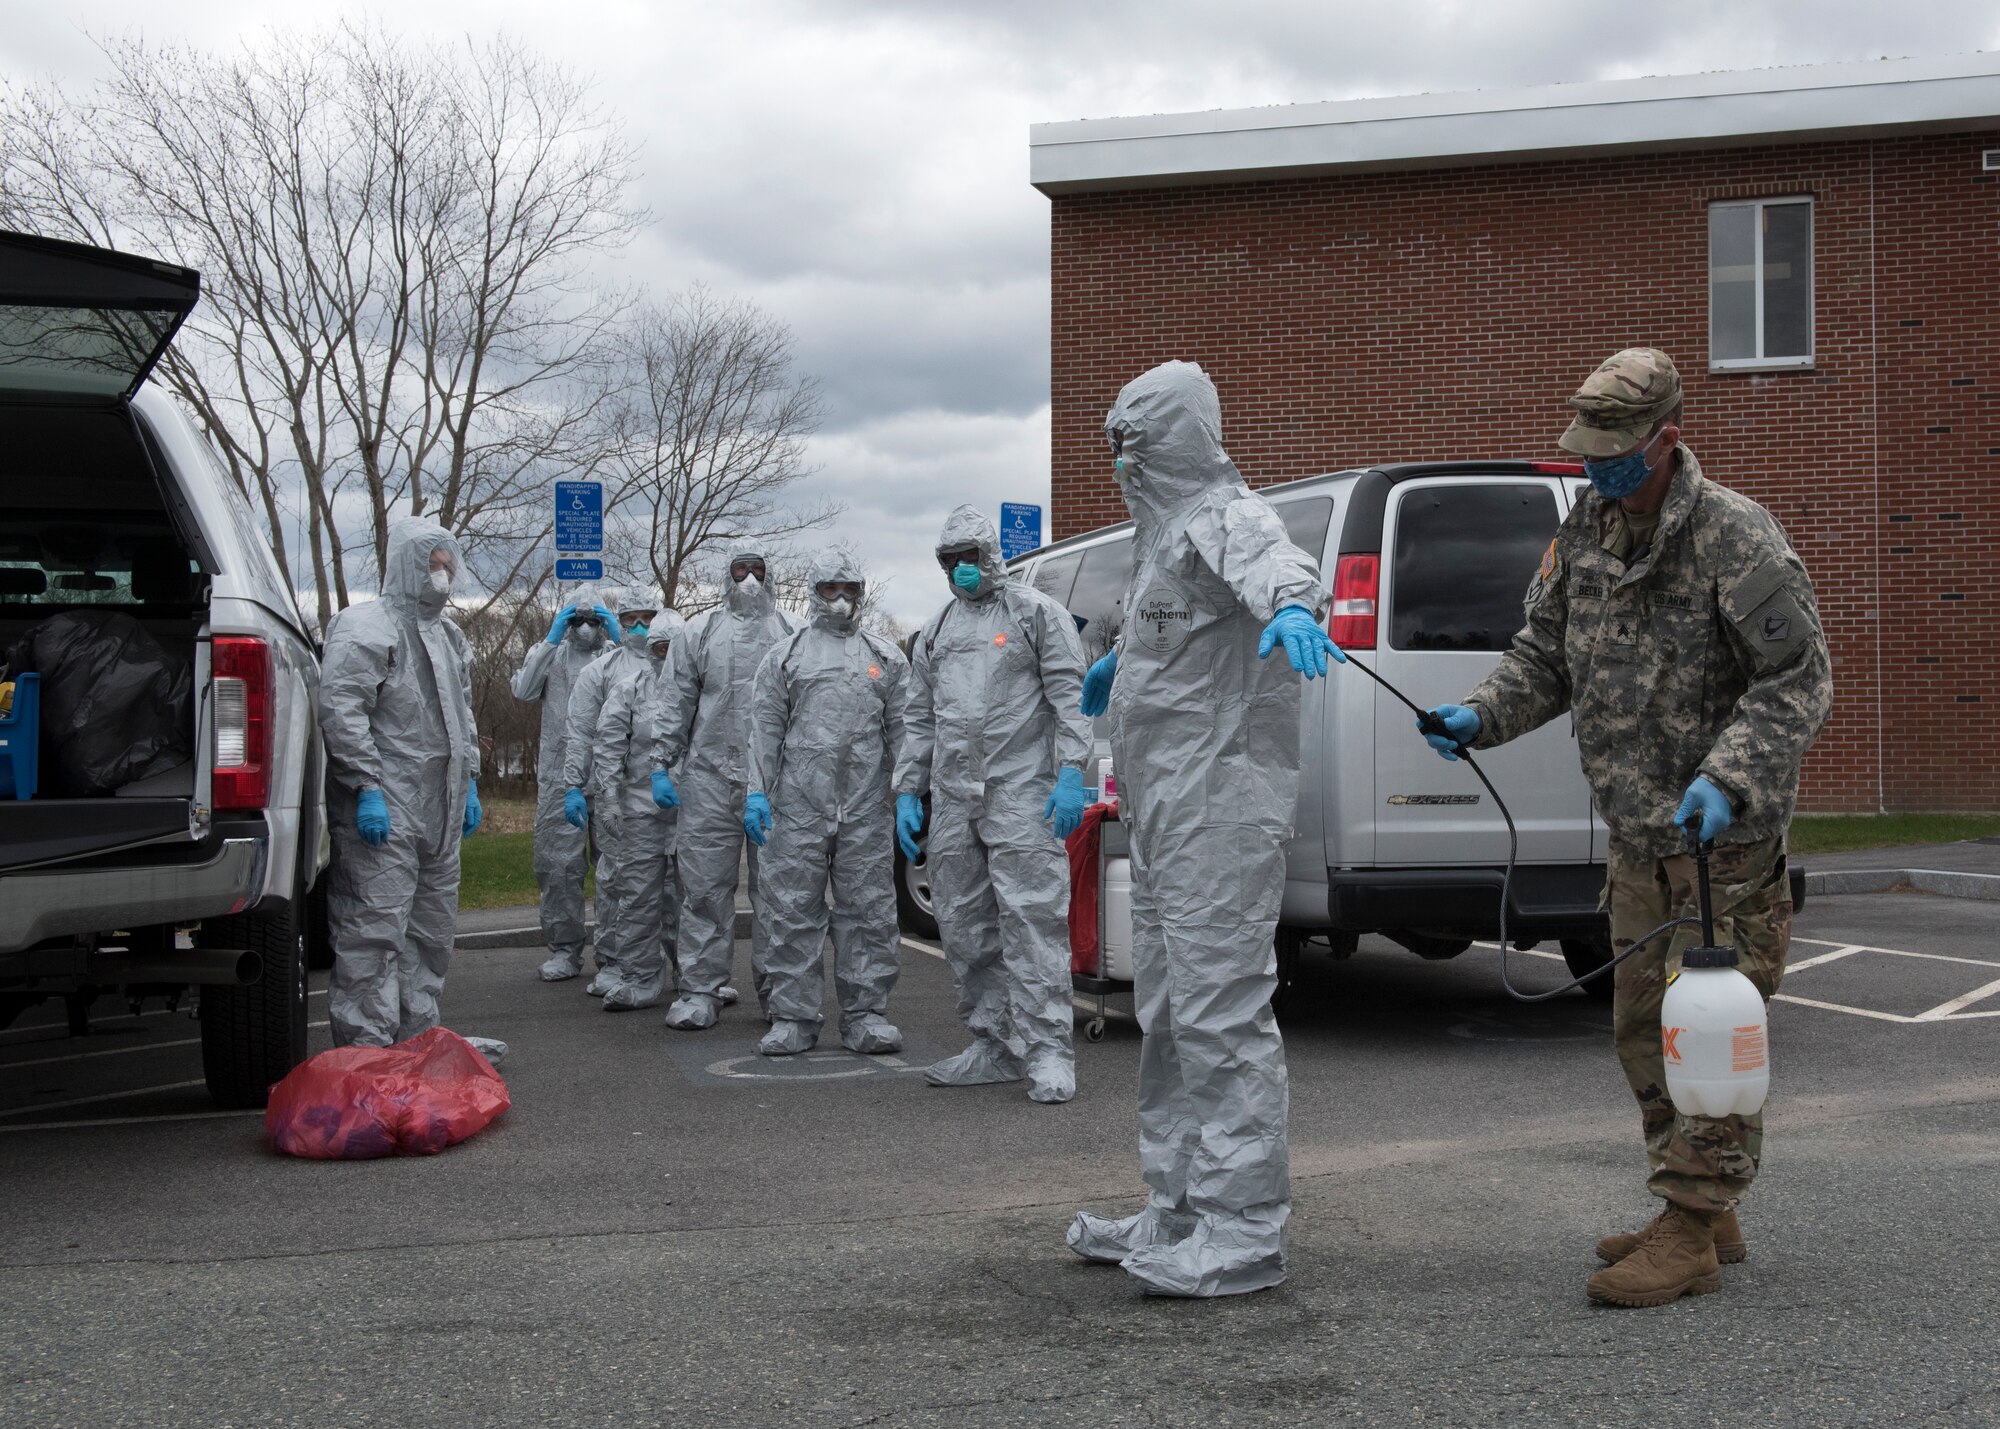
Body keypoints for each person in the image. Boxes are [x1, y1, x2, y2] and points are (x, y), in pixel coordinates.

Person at [1420, 347, 1831, 1309]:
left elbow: (1798, 680)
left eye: (1615, 455)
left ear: (1668, 440)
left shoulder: (1736, 536)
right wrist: (1480, 714)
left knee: (1710, 1034)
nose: (1597, 470)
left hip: (1718, 843)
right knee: (1644, 1028)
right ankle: (1701, 1205)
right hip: (1639, 836)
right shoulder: (1587, 532)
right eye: (1588, 453)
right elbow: (1543, 656)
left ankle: (1689, 1227)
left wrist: (1728, 778)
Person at [1064, 360, 1341, 1299]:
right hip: (1170, 817)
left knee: (1221, 1015)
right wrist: (1116, 676)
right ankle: (1178, 1203)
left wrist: (1297, 608)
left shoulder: (1229, 513)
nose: (1121, 461)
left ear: (1174, 436)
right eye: (1116, 445)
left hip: (1223, 810)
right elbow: (1169, 651)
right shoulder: (1163, 539)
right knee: (1171, 1015)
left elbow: (1281, 567)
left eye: (1134, 442)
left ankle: (1244, 1228)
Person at [893, 505, 1092, 1104]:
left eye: (969, 558)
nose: (961, 570)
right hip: (955, 801)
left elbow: (1070, 697)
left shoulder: (1036, 615)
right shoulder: (937, 629)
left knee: (1032, 925)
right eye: (950, 561)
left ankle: (1050, 1050)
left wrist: (1070, 773)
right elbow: (919, 717)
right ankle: (992, 1044)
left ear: (991, 556)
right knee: (963, 926)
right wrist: (907, 789)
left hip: (1022, 793)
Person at [318, 515, 483, 1049]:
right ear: (405, 566)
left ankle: (417, 1041)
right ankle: (366, 1053)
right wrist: (365, 787)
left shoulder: (450, 636)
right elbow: (343, 710)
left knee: (431, 933)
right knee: (373, 929)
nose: (440, 575)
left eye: (446, 566)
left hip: (442, 808)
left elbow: (464, 715)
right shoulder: (366, 627)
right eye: (431, 565)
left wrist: (472, 782)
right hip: (385, 807)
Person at [742, 550, 908, 1057]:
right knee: (792, 911)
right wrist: (756, 790)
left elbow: (905, 730)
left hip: (865, 810)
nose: (840, 600)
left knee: (869, 911)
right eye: (830, 589)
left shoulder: (886, 656)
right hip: (797, 806)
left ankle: (866, 1015)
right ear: (815, 592)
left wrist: (906, 794)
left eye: (849, 590)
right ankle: (793, 1016)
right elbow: (764, 729)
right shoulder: (786, 656)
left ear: (861, 592)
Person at [654, 550, 796, 1031]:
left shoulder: (791, 633)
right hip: (710, 779)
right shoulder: (698, 632)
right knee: (704, 890)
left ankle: (782, 992)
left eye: (758, 569)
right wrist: (661, 764)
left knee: (777, 893)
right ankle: (698, 989)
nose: (750, 579)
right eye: (741, 570)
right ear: (726, 576)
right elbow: (674, 702)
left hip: (777, 784)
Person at [510, 583, 620, 982]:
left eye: (595, 619)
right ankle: (564, 950)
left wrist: (623, 637)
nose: (587, 627)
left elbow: (652, 680)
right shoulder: (550, 656)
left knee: (618, 870)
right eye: (579, 619)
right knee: (558, 869)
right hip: (560, 780)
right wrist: (549, 639)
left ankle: (614, 953)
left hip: (612, 779)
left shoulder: (613, 655)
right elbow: (522, 690)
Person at [559, 587, 662, 998]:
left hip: (668, 797)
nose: (639, 627)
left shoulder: (677, 663)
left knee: (671, 888)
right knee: (616, 880)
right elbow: (582, 731)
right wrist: (573, 784)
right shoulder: (600, 670)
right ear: (618, 622)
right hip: (617, 794)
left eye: (647, 618)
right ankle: (614, 961)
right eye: (631, 619)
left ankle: (678, 967)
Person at [591, 609, 687, 1012]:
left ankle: (697, 979)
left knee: (694, 898)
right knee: (639, 896)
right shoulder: (629, 689)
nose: (667, 656)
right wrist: (609, 799)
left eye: (676, 648)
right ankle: (640, 977)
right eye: (660, 648)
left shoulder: (700, 691)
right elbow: (608, 746)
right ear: (649, 651)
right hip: (640, 810)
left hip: (691, 812)